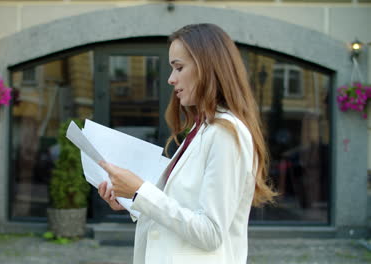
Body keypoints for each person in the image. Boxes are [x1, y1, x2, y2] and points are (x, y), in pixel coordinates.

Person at [98, 23, 277, 264]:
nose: (171, 79)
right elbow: (181, 206)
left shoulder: (225, 133)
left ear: (208, 67)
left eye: (179, 68)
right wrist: (132, 199)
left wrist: (141, 191)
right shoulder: (202, 128)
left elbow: (210, 232)